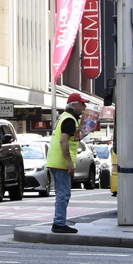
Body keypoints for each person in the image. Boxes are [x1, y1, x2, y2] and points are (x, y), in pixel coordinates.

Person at [48, 92, 87, 234]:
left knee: (62, 193)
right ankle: (59, 223)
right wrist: (69, 163)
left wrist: (84, 133)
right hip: (60, 162)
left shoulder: (66, 118)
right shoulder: (70, 120)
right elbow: (64, 141)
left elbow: (72, 140)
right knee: (63, 194)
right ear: (74, 105)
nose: (84, 106)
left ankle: (59, 222)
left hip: (56, 161)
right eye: (82, 103)